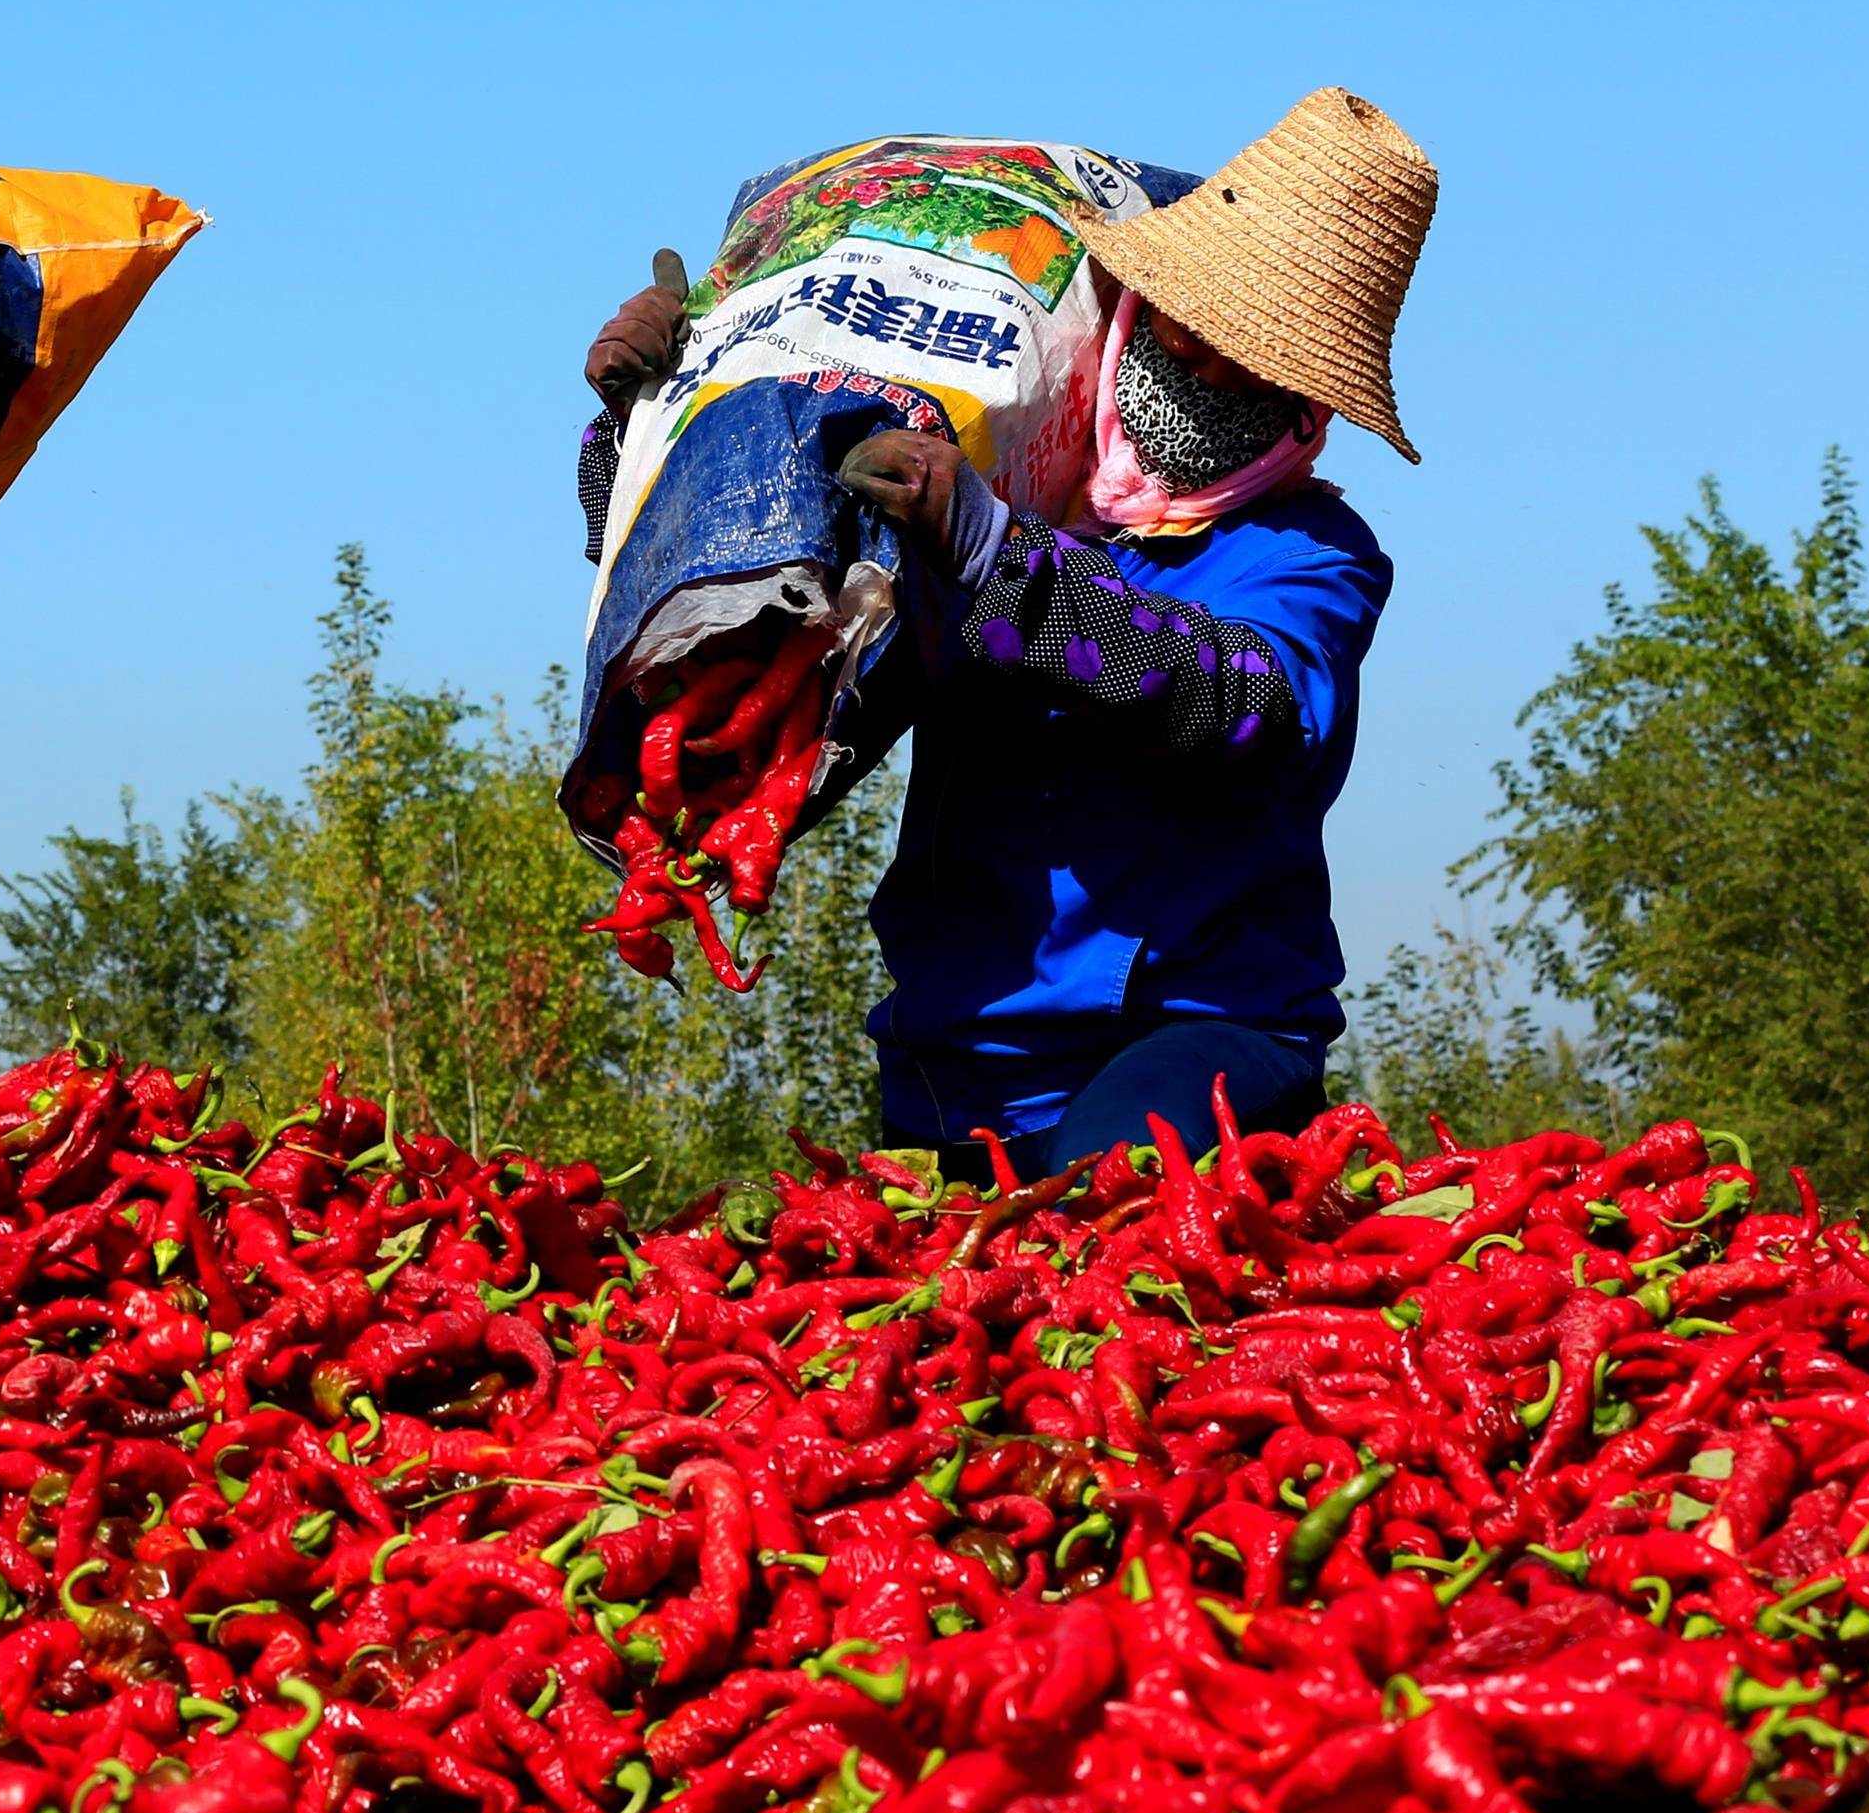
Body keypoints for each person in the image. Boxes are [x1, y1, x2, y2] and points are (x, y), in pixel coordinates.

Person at [579, 89, 1438, 1180]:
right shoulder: (1001, 474)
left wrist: (992, 552)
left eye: (1247, 354)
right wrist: (644, 422)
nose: (1198, 361)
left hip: (1185, 1035)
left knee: (1100, 1267)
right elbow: (754, 609)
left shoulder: (1305, 549)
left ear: (1304, 395)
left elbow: (1233, 702)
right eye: (1185, 321)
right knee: (955, 1326)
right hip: (963, 1042)